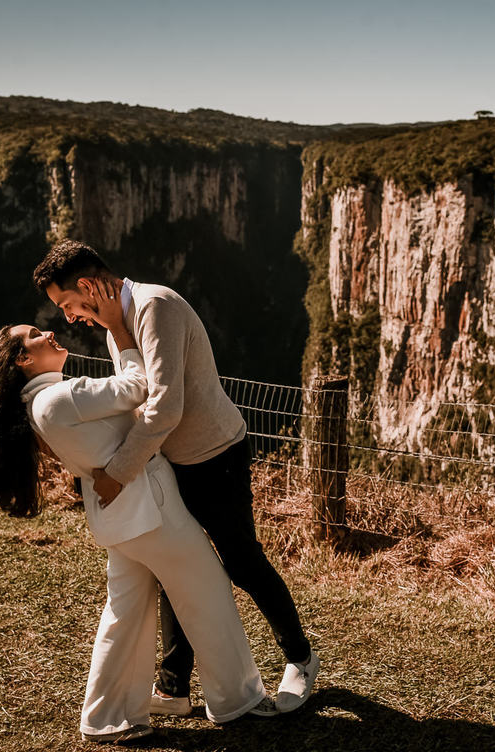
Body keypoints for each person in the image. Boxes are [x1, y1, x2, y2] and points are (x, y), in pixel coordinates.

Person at [33, 239, 319, 715]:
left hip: (214, 456)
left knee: (242, 561)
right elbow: (132, 399)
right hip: (172, 464)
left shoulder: (154, 307)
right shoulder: (118, 326)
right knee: (178, 570)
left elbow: (164, 405)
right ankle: (173, 687)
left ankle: (300, 657)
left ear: (86, 286)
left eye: (67, 303)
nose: (67, 317)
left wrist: (119, 471)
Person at [0, 322, 279, 744]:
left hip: (120, 521)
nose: (51, 332)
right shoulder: (61, 398)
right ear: (23, 359)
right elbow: (138, 386)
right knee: (208, 592)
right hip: (153, 510)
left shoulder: (36, 409)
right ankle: (237, 699)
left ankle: (106, 716)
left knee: (124, 614)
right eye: (37, 334)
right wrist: (124, 336)